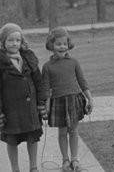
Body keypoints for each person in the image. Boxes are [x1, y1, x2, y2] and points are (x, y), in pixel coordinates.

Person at [0, 23, 48, 172]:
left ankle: (33, 167)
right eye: (10, 40)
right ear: (3, 41)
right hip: (11, 110)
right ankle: (15, 169)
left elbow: (39, 81)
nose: (14, 43)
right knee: (12, 140)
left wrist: (42, 100)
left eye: (17, 40)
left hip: (31, 108)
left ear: (22, 41)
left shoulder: (29, 58)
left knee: (32, 138)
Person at [42, 27, 94, 172]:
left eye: (64, 43)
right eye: (58, 44)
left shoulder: (74, 62)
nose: (62, 47)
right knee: (62, 132)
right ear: (51, 45)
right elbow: (45, 89)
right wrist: (46, 107)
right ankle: (65, 160)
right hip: (58, 102)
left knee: (74, 131)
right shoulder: (47, 67)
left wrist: (90, 99)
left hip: (74, 100)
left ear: (68, 44)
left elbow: (83, 82)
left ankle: (74, 159)